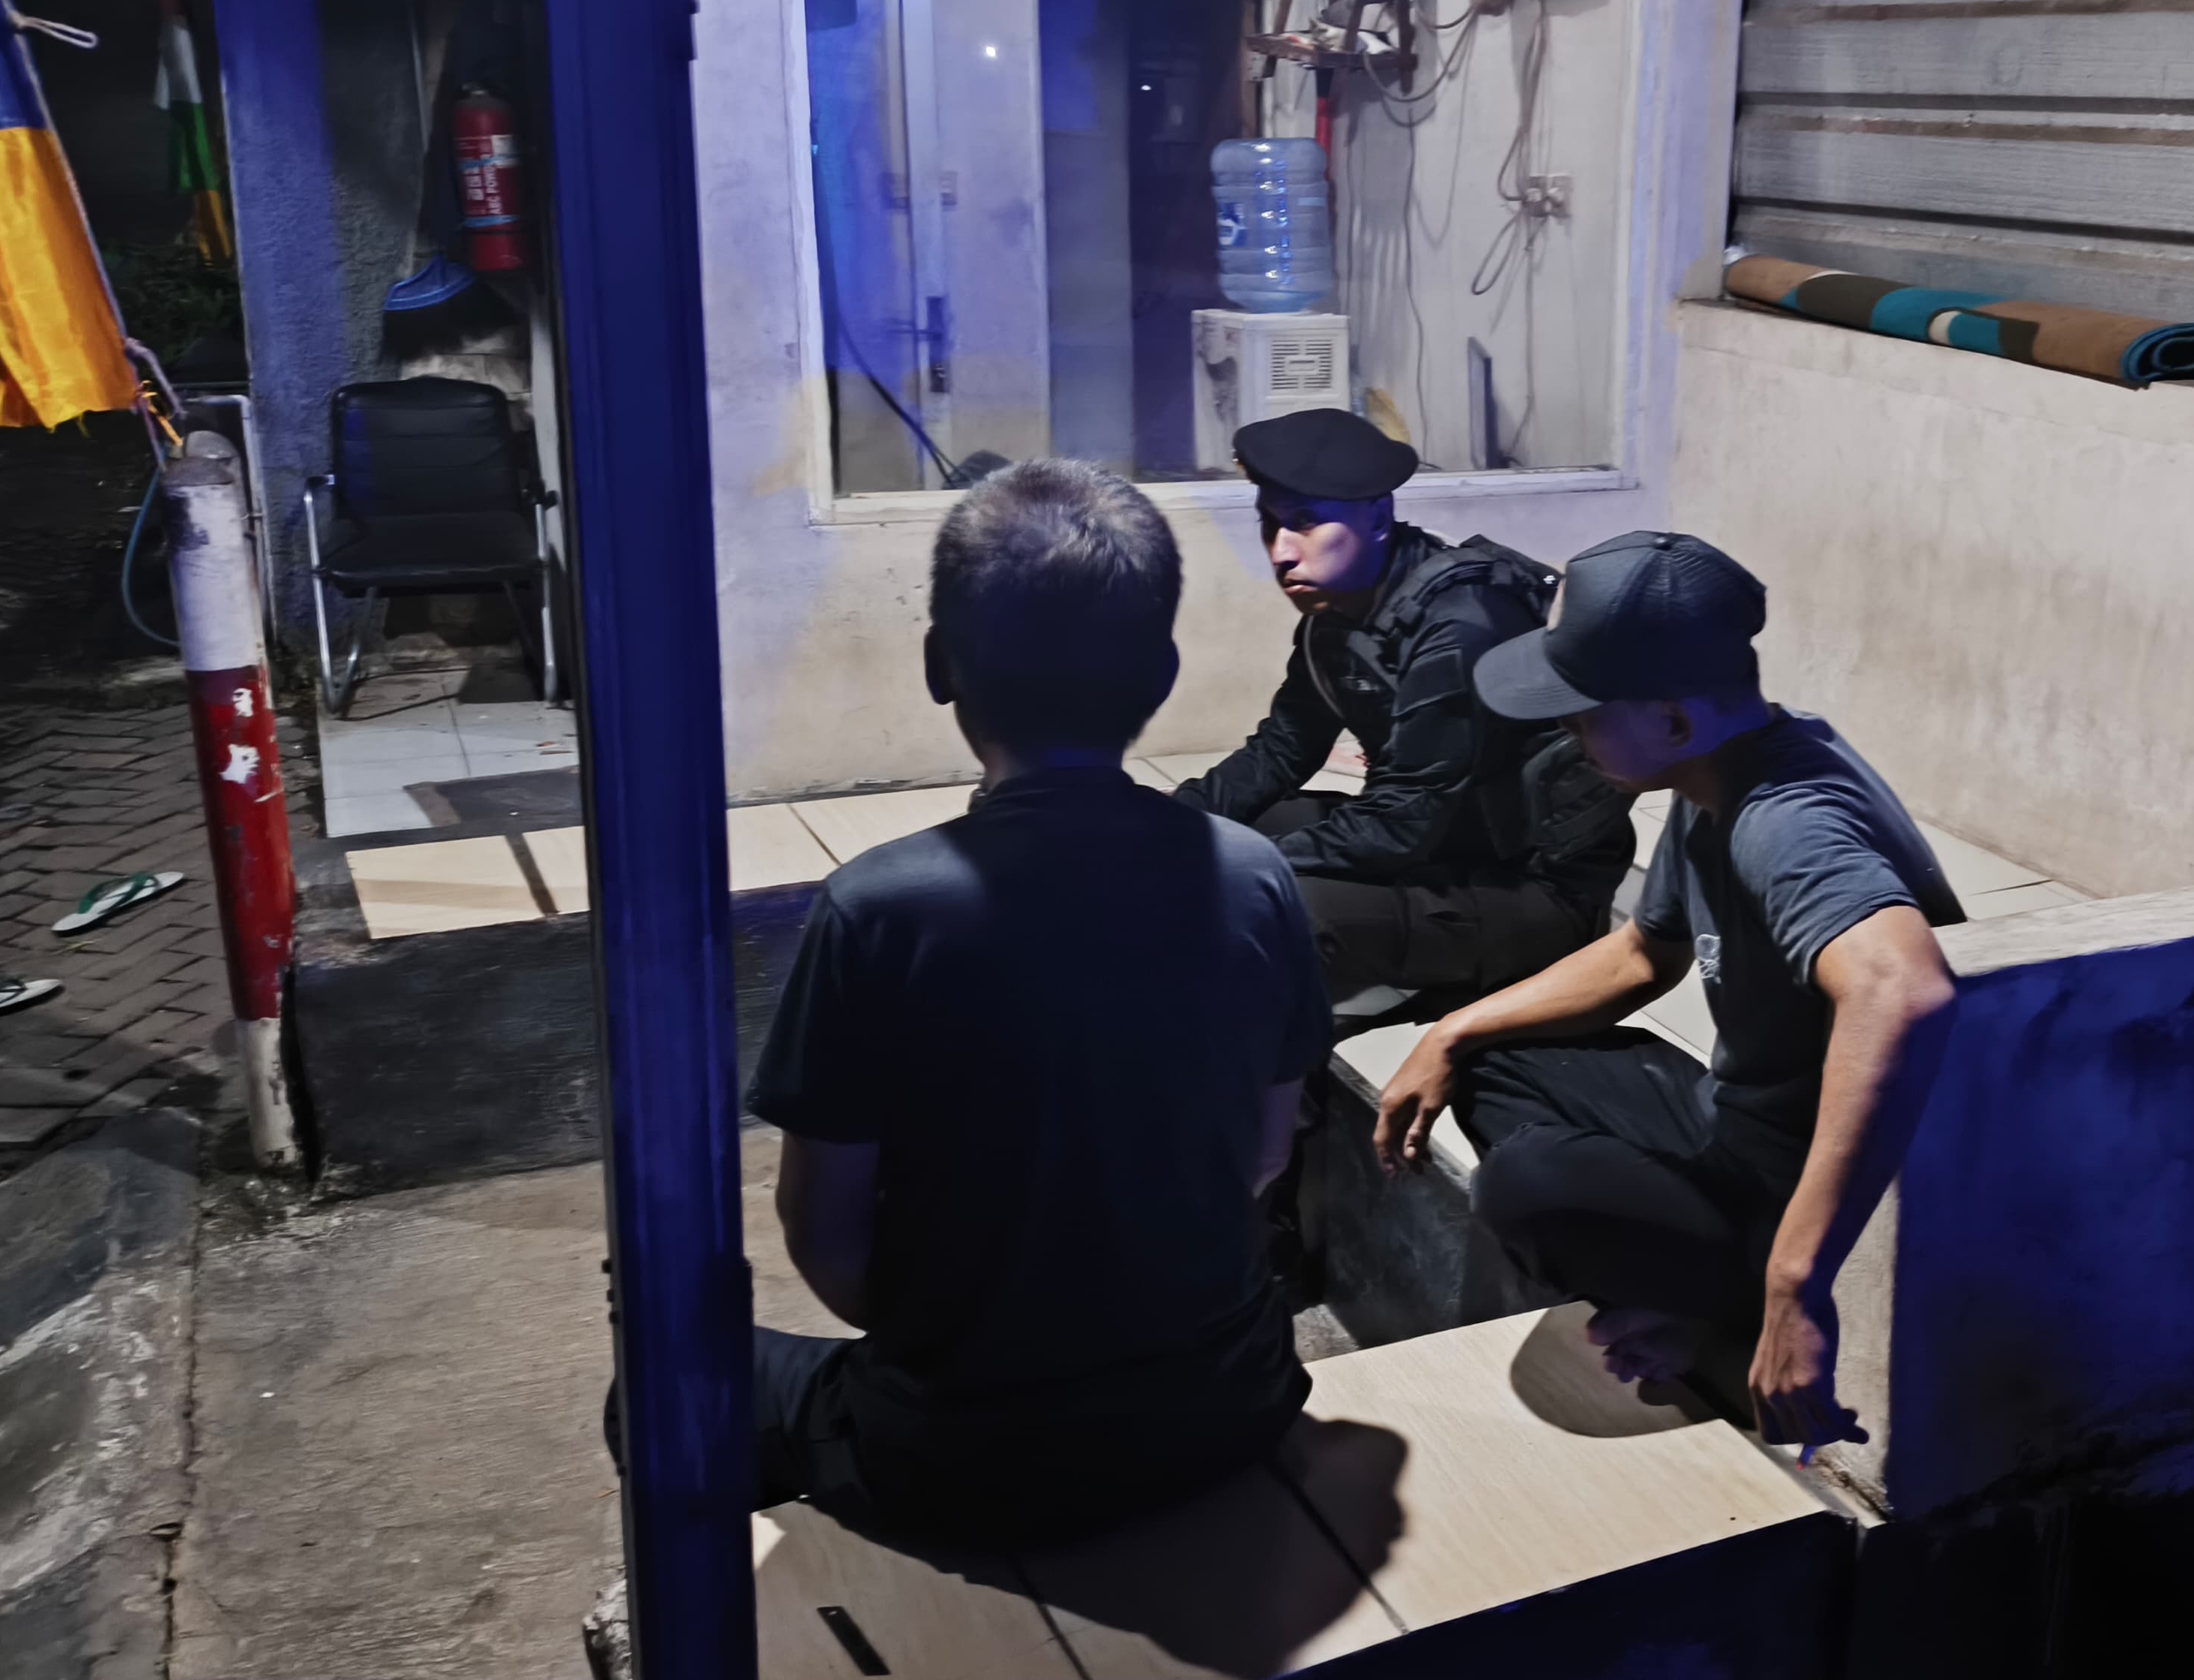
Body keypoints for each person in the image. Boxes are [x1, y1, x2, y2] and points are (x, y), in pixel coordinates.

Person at [705, 458, 1332, 1545]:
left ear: (939, 664)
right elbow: (1265, 1152)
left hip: (966, 1447)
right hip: (1232, 1402)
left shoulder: (877, 908)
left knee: (657, 1390)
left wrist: (967, 1334)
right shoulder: (1253, 874)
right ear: (1163, 671)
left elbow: (824, 1232)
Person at [1368, 532, 1966, 1449]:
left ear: (1675, 722)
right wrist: (1452, 1029)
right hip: (1732, 1123)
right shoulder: (1713, 771)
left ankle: (1731, 1303)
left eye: (1582, 713)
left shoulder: (1784, 818)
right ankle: (1685, 1294)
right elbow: (1645, 953)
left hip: (1814, 1188)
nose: (1566, 732)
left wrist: (1795, 1282)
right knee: (1489, 1058)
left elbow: (1903, 988)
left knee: (1526, 1185)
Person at [1175, 407, 1632, 1014]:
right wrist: (1166, 825)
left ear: (1377, 518)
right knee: (1233, 829)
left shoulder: (1461, 626)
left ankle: (1275, 1072)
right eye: (1270, 523)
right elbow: (1282, 747)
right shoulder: (1339, 612)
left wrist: (1241, 865)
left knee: (1282, 905)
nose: (1281, 552)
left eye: (1306, 522)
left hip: (1535, 889)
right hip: (1451, 844)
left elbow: (1398, 825)